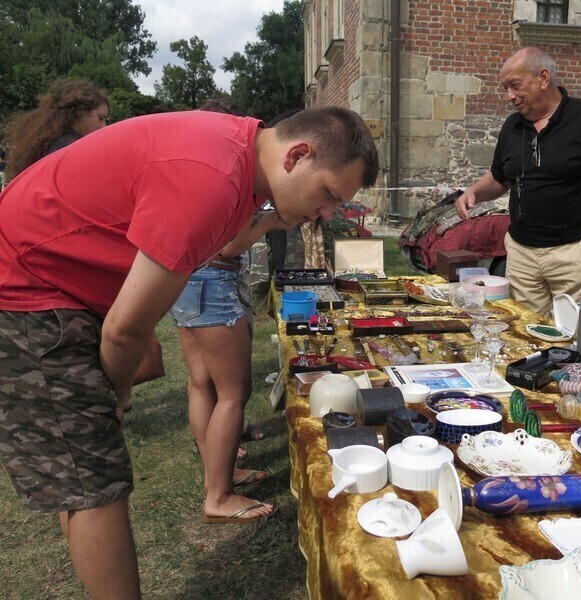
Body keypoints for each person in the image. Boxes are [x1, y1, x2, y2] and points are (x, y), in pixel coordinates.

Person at [0, 106, 379, 599]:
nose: (326, 214)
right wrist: (115, 397)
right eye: (329, 195)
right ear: (297, 156)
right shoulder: (213, 179)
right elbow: (123, 331)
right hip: (30, 291)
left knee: (81, 481)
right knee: (95, 488)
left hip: (48, 285)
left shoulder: (237, 154)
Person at [170, 101, 297, 510]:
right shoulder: (229, 173)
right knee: (232, 391)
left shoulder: (196, 166)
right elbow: (227, 247)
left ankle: (218, 473)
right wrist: (271, 223)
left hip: (187, 279)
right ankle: (220, 495)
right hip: (213, 280)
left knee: (200, 382)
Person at [455, 47, 581, 319]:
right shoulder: (512, 127)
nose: (509, 96)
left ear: (544, 78)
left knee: (576, 339)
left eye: (515, 86)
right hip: (522, 254)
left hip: (574, 252)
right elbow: (501, 177)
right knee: (526, 336)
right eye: (506, 88)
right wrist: (474, 192)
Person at [2, 78, 109, 181]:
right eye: (101, 118)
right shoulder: (71, 148)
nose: (104, 126)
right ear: (81, 112)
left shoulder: (47, 141)